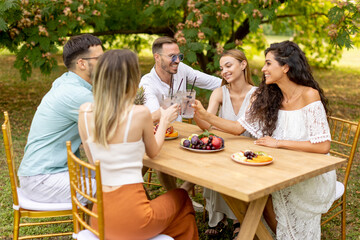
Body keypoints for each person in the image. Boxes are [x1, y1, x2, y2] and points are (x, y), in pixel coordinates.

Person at [193, 41, 335, 240]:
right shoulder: (268, 96)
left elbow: (323, 146)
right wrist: (204, 115)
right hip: (279, 167)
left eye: (268, 63)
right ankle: (271, 234)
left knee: (260, 193)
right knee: (245, 182)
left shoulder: (309, 95)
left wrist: (278, 143)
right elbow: (237, 128)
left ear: (285, 67)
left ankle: (276, 234)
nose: (263, 68)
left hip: (310, 175)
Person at [78, 49, 198, 240]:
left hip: (99, 218)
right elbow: (154, 152)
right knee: (182, 197)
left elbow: (95, 161)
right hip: (134, 220)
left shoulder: (84, 112)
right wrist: (164, 120)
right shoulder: (139, 113)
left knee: (173, 212)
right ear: (131, 80)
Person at [17, 34, 103, 203]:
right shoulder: (74, 93)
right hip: (43, 179)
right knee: (114, 189)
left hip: (56, 170)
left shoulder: (67, 81)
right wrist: (156, 116)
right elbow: (121, 119)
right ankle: (107, 227)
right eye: (100, 58)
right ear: (82, 64)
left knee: (118, 176)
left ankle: (106, 223)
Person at [139, 36, 222, 210]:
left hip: (178, 133)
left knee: (205, 150)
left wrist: (237, 85)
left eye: (179, 56)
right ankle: (172, 201)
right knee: (151, 163)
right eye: (172, 56)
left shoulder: (181, 69)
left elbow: (211, 82)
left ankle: (181, 196)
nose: (177, 61)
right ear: (157, 57)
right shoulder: (147, 83)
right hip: (151, 135)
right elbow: (158, 117)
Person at [193, 49, 257, 238]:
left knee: (234, 170)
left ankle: (239, 218)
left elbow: (238, 129)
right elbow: (206, 126)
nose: (224, 72)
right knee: (212, 166)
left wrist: (209, 119)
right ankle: (218, 217)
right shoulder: (219, 92)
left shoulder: (256, 94)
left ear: (243, 65)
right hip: (224, 148)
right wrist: (196, 112)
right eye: (222, 68)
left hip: (249, 151)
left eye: (228, 66)